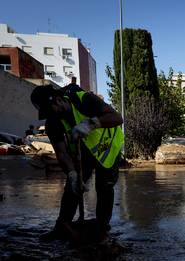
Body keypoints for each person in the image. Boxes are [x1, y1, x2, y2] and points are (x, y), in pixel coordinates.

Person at [30, 84, 124, 241]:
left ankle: (102, 232)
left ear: (59, 100)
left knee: (104, 189)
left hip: (107, 147)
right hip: (84, 153)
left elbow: (117, 118)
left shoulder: (84, 99)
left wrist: (91, 123)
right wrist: (72, 175)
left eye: (51, 109)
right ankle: (61, 229)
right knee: (71, 189)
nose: (50, 115)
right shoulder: (52, 122)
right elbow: (61, 152)